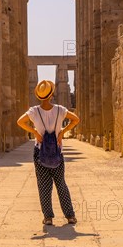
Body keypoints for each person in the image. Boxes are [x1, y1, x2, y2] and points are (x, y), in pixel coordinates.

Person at [17, 80, 80, 225]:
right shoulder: (60, 110)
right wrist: (62, 132)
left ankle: (48, 217)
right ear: (52, 94)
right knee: (61, 184)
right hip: (57, 151)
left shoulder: (34, 111)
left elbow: (20, 121)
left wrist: (35, 133)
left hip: (40, 151)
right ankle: (70, 216)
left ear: (39, 96)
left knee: (44, 185)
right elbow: (76, 119)